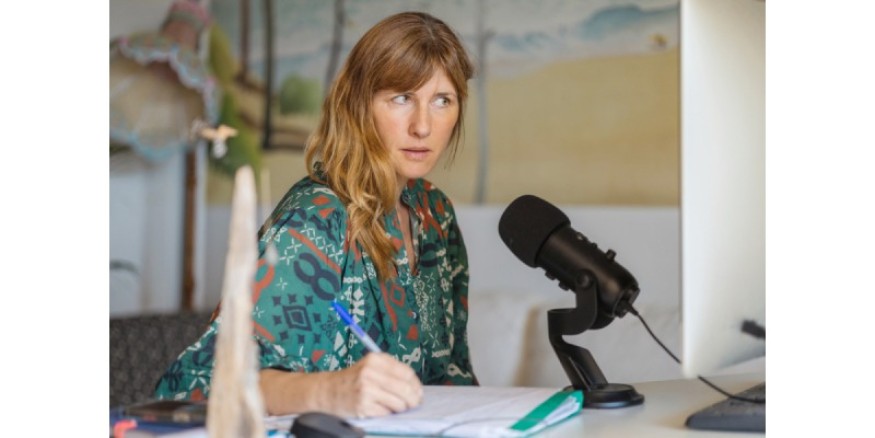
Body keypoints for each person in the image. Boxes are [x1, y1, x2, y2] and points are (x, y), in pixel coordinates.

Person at [154, 11, 478, 418]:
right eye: (401, 98)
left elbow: (454, 378)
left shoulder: (435, 214)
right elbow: (193, 385)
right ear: (360, 105)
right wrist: (328, 391)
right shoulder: (316, 219)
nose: (422, 126)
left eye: (442, 100)